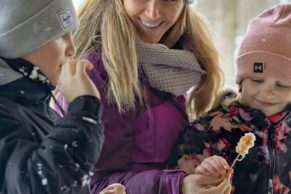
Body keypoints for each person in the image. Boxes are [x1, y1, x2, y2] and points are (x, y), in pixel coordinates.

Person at [56, 0, 227, 193]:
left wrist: (200, 166)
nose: (153, 13)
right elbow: (94, 185)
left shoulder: (176, 60)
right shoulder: (95, 71)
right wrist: (178, 186)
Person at [0, 0, 125, 193]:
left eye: (71, 34)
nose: (72, 49)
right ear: (18, 42)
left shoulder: (38, 107)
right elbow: (38, 186)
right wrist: (84, 109)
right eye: (59, 36)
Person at [172, 4, 291, 194]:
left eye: (283, 85)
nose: (267, 92)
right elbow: (175, 180)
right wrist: (200, 173)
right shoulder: (208, 129)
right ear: (241, 79)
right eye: (257, 80)